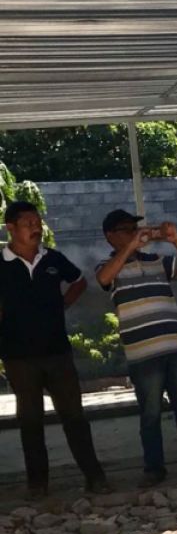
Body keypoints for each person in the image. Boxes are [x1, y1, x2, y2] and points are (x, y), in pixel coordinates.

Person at [0, 201, 110, 498]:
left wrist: (63, 304)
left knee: (74, 416)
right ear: (10, 228)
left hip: (57, 352)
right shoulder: (1, 262)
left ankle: (94, 476)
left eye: (38, 222)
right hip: (18, 356)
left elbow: (78, 281)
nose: (36, 228)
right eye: (28, 223)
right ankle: (38, 484)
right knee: (31, 421)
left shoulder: (53, 259)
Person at [96, 210, 177, 486]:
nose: (135, 233)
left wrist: (176, 241)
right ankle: (154, 468)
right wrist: (130, 249)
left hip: (175, 347)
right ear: (110, 236)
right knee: (150, 414)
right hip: (143, 354)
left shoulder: (158, 261)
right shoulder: (109, 265)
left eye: (136, 228)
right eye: (126, 229)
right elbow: (103, 279)